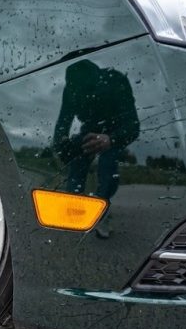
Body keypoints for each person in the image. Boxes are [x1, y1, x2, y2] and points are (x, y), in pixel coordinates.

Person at [53, 59, 139, 238]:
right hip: (89, 130)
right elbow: (63, 122)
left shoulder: (117, 81)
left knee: (107, 166)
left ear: (99, 80)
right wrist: (62, 145)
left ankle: (102, 208)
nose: (83, 96)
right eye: (79, 92)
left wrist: (112, 139)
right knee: (76, 161)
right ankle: (75, 206)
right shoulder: (71, 90)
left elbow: (133, 125)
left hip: (115, 130)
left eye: (89, 91)